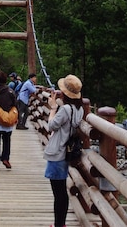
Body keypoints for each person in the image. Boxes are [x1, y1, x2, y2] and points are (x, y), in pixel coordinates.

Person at [44, 74, 84, 227]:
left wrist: (53, 108)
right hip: (67, 151)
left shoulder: (65, 109)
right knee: (61, 191)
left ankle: (59, 224)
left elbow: (51, 125)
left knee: (58, 193)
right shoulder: (79, 109)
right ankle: (60, 223)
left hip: (57, 153)